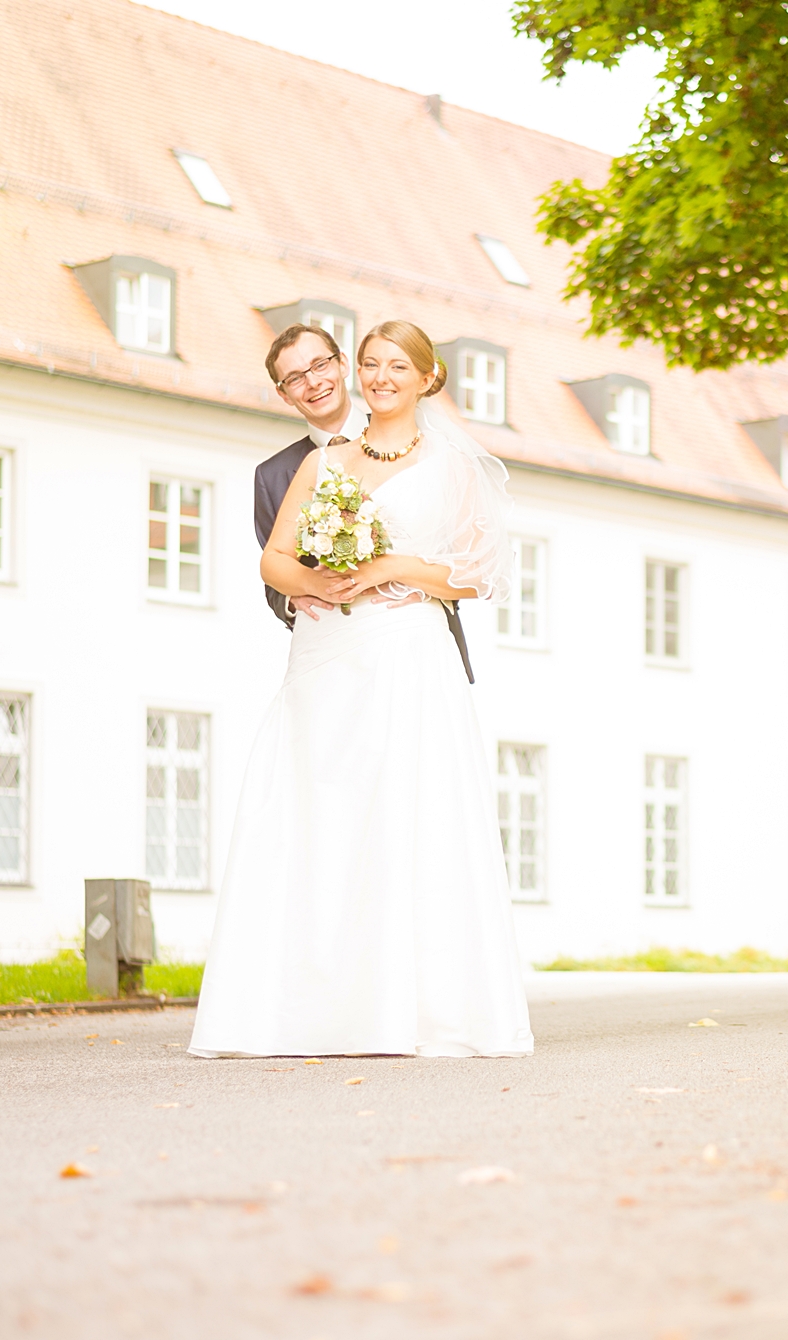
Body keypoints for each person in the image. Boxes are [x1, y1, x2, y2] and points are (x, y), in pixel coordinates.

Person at [188, 320, 533, 1059]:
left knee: (409, 820)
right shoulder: (320, 463)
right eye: (373, 364)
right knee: (317, 816)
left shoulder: (450, 466)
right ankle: (303, 1006)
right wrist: (319, 583)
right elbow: (272, 562)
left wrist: (390, 568)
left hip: (407, 653)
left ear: (425, 377)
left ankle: (409, 1007)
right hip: (328, 655)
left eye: (392, 365)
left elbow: (479, 573)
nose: (378, 376)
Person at [250, 324, 474, 678]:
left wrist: (414, 584)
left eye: (319, 365)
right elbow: (275, 573)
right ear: (284, 393)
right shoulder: (275, 475)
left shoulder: (424, 445)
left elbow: (467, 559)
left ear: (341, 364)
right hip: (330, 647)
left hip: (414, 642)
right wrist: (302, 593)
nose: (312, 382)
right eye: (295, 378)